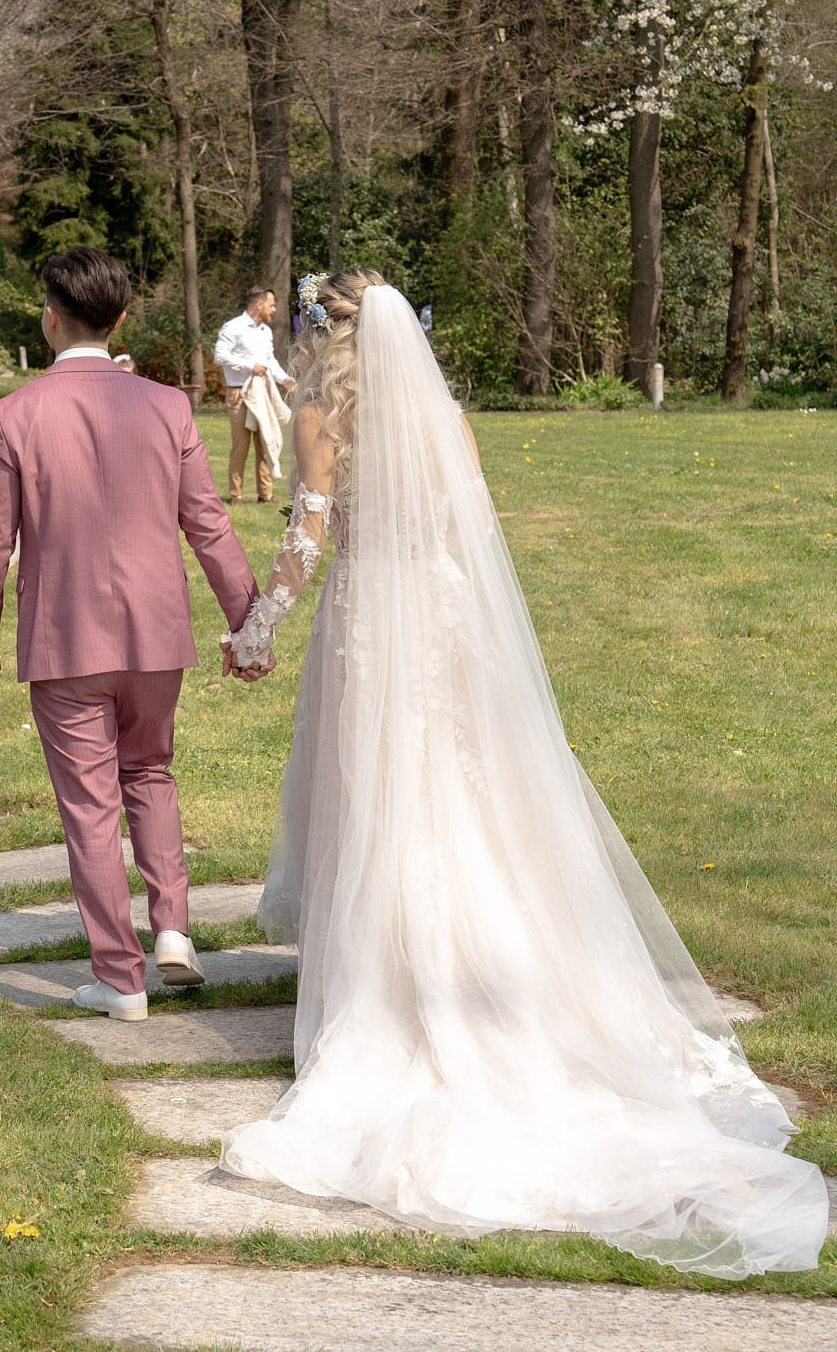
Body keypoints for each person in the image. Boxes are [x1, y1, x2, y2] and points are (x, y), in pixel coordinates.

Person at [214, 270, 828, 1279]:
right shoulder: (442, 415)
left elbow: (307, 536)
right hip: (448, 618)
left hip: (373, 615)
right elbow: (472, 532)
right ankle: (499, 968)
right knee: (465, 799)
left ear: (327, 346)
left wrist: (253, 629)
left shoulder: (324, 412)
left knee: (385, 799)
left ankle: (395, 988)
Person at [0, 246, 259, 1015]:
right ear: (121, 319)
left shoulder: (15, 414)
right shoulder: (168, 406)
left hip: (65, 637)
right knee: (151, 773)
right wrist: (247, 621)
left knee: (90, 804)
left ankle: (119, 976)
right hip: (157, 633)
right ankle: (173, 930)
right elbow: (210, 524)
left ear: (49, 318)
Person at [213, 286, 295, 504]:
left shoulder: (265, 332)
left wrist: (284, 379)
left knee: (265, 440)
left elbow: (270, 361)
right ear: (259, 304)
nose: (274, 309)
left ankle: (265, 494)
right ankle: (236, 494)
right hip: (239, 393)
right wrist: (250, 365)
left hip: (262, 391)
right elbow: (219, 355)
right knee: (241, 445)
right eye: (271, 304)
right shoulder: (233, 327)